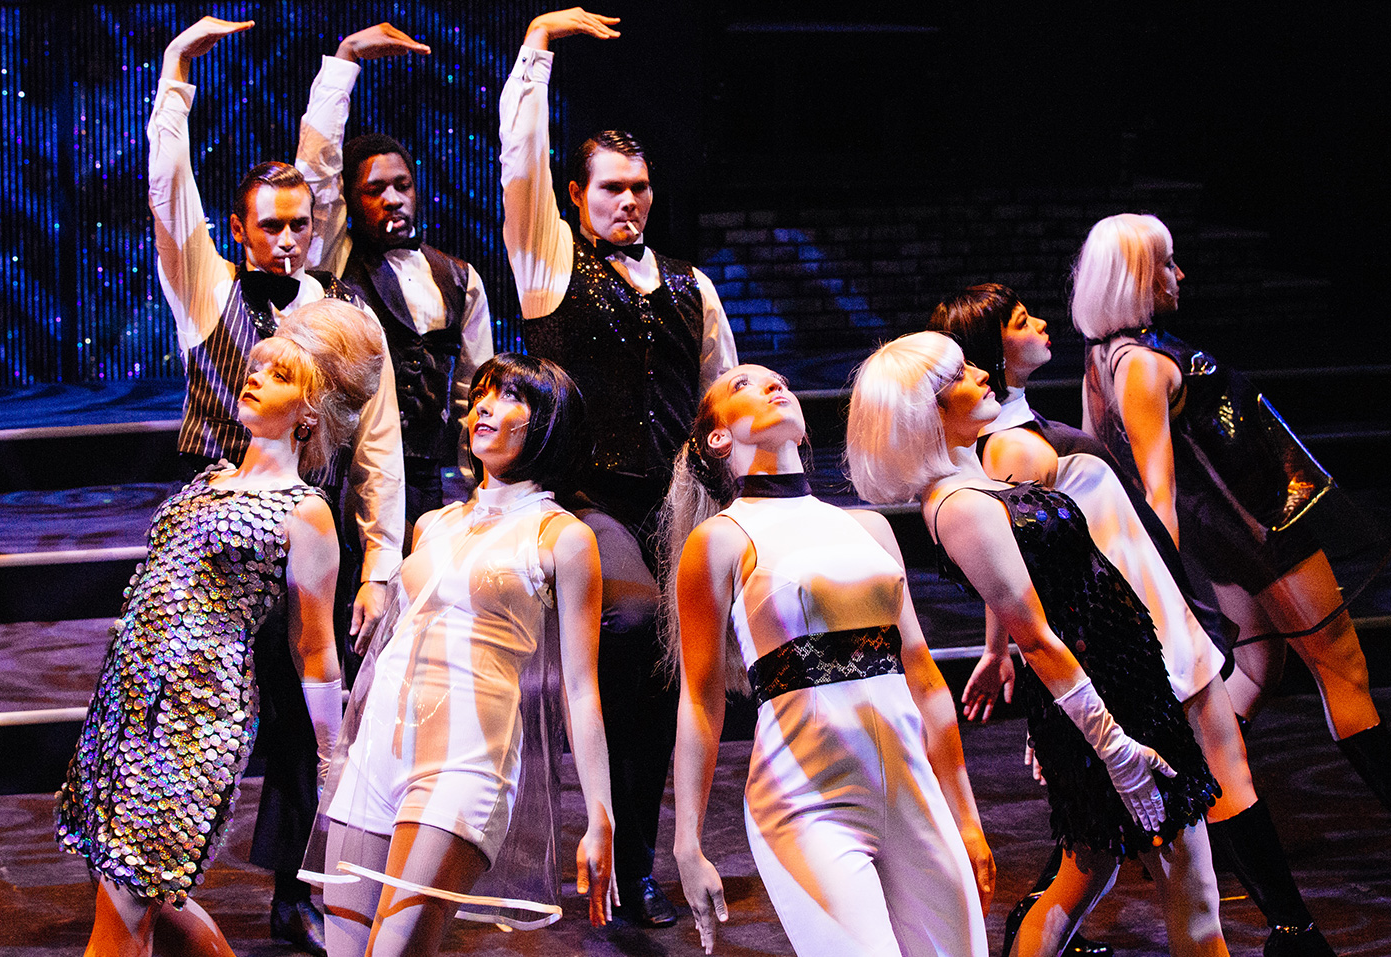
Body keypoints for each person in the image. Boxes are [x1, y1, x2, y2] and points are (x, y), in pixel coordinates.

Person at [935, 285, 1336, 956]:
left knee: (1103, 847)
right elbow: (1024, 572)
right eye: (1019, 321)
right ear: (991, 350)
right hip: (1126, 638)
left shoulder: (1024, 430)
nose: (1039, 324)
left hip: (1143, 620)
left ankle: (1291, 931)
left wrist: (1002, 653)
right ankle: (1294, 933)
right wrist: (1044, 674)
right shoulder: (1011, 451)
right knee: (1149, 827)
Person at [148, 18, 408, 952]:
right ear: (241, 231)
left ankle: (298, 887)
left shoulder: (341, 320)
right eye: (274, 224)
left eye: (304, 224)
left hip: (306, 524)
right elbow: (168, 193)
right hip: (218, 530)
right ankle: (154, 878)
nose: (292, 237)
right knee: (196, 710)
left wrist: (381, 556)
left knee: (307, 712)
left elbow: (378, 445)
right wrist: (176, 78)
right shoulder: (207, 291)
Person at [847, 332, 1229, 957]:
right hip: (1108, 701)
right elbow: (1040, 636)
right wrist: (1115, 748)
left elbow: (1017, 594)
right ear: (931, 412)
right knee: (1188, 886)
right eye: (962, 376)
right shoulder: (958, 506)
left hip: (1123, 679)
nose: (981, 375)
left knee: (1093, 873)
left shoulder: (973, 474)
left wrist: (998, 655)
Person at [499, 8, 738, 925]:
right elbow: (519, 170)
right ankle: (608, 855)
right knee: (635, 635)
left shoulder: (690, 284)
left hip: (677, 502)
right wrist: (535, 51)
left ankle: (637, 862)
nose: (630, 203)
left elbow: (721, 391)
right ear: (576, 194)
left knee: (670, 688)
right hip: (590, 499)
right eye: (611, 190)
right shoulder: (548, 264)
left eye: (640, 188)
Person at [56, 300, 384, 957]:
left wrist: (331, 753)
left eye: (280, 376)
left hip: (194, 721)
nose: (256, 378)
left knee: (124, 908)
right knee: (145, 896)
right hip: (124, 705)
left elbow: (313, 645)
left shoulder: (306, 513)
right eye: (256, 367)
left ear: (309, 413)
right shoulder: (208, 482)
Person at [662, 364, 991, 956]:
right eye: (744, 385)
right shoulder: (720, 540)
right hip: (805, 803)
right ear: (718, 437)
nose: (774, 385)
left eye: (780, 380)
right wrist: (688, 842)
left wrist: (964, 813)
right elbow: (701, 697)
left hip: (914, 793)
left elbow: (923, 677)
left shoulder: (868, 528)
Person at [1072, 213, 1388, 815]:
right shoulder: (1141, 365)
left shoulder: (1104, 359)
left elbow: (1101, 465)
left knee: (1258, 672)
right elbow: (1151, 487)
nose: (1179, 274)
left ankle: (1196, 795)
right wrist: (1154, 589)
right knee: (1342, 666)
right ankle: (1200, 799)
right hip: (1258, 532)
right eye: (1166, 263)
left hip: (1228, 534)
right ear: (1138, 275)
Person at [305, 353, 616, 957]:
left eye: (506, 396)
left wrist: (599, 812)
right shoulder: (433, 525)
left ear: (545, 421)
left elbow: (581, 686)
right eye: (481, 394)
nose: (484, 407)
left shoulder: (563, 537)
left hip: (466, 759)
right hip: (378, 752)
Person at [294, 22, 495, 528]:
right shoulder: (334, 260)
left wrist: (483, 489)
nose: (392, 198)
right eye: (374, 189)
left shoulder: (459, 277)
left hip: (424, 477)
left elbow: (474, 390)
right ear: (350, 203)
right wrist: (345, 58)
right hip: (340, 470)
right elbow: (315, 170)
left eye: (402, 184)